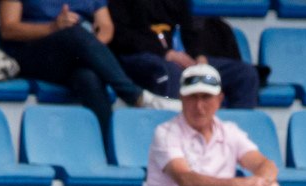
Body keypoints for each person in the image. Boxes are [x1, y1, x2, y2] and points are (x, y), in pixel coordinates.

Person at [147, 65, 295, 186]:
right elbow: (185, 179)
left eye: (206, 97)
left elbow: (266, 165)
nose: (199, 106)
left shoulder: (229, 131)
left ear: (219, 99)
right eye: (193, 97)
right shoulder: (165, 132)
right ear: (181, 98)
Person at [0, 0, 179, 142]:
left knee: (89, 77)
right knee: (74, 33)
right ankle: (135, 96)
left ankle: (108, 148)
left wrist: (90, 48)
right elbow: (8, 29)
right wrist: (53, 28)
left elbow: (106, 26)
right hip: (28, 55)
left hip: (73, 53)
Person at [106, 0, 258, 109]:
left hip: (180, 58)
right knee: (170, 72)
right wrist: (166, 53)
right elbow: (121, 36)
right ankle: (175, 140)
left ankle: (235, 141)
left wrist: (199, 56)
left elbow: (189, 27)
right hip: (140, 57)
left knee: (245, 75)